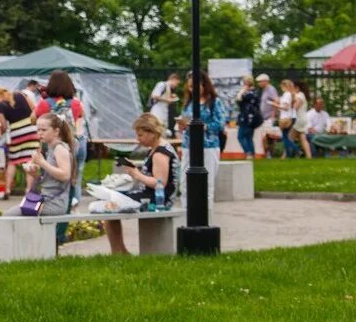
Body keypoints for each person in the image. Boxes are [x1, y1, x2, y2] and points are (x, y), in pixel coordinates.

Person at [104, 114, 178, 254]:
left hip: (157, 202)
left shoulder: (159, 153)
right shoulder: (156, 149)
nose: (138, 139)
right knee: (110, 201)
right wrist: (135, 170)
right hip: (152, 196)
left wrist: (136, 174)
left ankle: (118, 252)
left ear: (152, 133)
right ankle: (121, 251)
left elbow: (159, 183)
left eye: (141, 135)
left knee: (111, 204)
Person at [33, 71, 86, 206]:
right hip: (77, 143)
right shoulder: (76, 103)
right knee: (76, 178)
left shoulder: (45, 104)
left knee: (54, 177)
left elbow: (32, 118)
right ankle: (73, 207)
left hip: (57, 146)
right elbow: (81, 116)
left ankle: (57, 206)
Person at [176, 75, 226, 216]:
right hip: (188, 145)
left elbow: (220, 124)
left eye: (196, 86)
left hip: (208, 145)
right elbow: (183, 120)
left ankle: (206, 215)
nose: (193, 90)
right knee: (184, 182)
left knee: (207, 183)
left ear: (205, 85)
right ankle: (187, 213)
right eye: (190, 86)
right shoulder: (189, 103)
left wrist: (201, 126)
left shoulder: (214, 102)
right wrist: (181, 125)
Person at [23, 112, 74, 218]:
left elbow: (65, 175)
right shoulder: (47, 148)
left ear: (56, 131)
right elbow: (47, 178)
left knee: (9, 218)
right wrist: (33, 173)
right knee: (9, 216)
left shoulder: (60, 149)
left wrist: (42, 163)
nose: (40, 133)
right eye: (38, 130)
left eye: (44, 130)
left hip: (55, 202)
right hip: (43, 198)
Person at [0, 86, 37, 199]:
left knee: (13, 161)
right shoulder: (21, 94)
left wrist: (1, 134)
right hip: (31, 129)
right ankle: (28, 190)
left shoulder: (1, 106)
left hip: (16, 133)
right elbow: (34, 109)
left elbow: (3, 125)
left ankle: (7, 189)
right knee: (30, 159)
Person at [234, 76, 262, 159]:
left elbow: (238, 99)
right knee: (249, 137)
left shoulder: (248, 93)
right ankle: (252, 154)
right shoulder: (255, 92)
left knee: (240, 137)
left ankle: (248, 152)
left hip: (246, 118)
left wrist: (242, 91)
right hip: (253, 118)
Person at [288, 80, 313, 159]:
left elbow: (295, 107)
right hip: (303, 119)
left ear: (297, 88)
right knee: (303, 138)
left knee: (288, 138)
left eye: (293, 88)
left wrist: (292, 102)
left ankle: (286, 155)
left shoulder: (299, 95)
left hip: (298, 120)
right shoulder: (302, 95)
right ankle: (309, 156)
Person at [256, 73, 279, 157]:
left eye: (260, 82)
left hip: (269, 118)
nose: (259, 84)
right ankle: (268, 153)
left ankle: (270, 153)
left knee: (268, 136)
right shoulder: (264, 90)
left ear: (266, 81)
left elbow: (276, 101)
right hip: (264, 118)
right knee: (265, 136)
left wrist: (273, 115)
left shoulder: (271, 90)